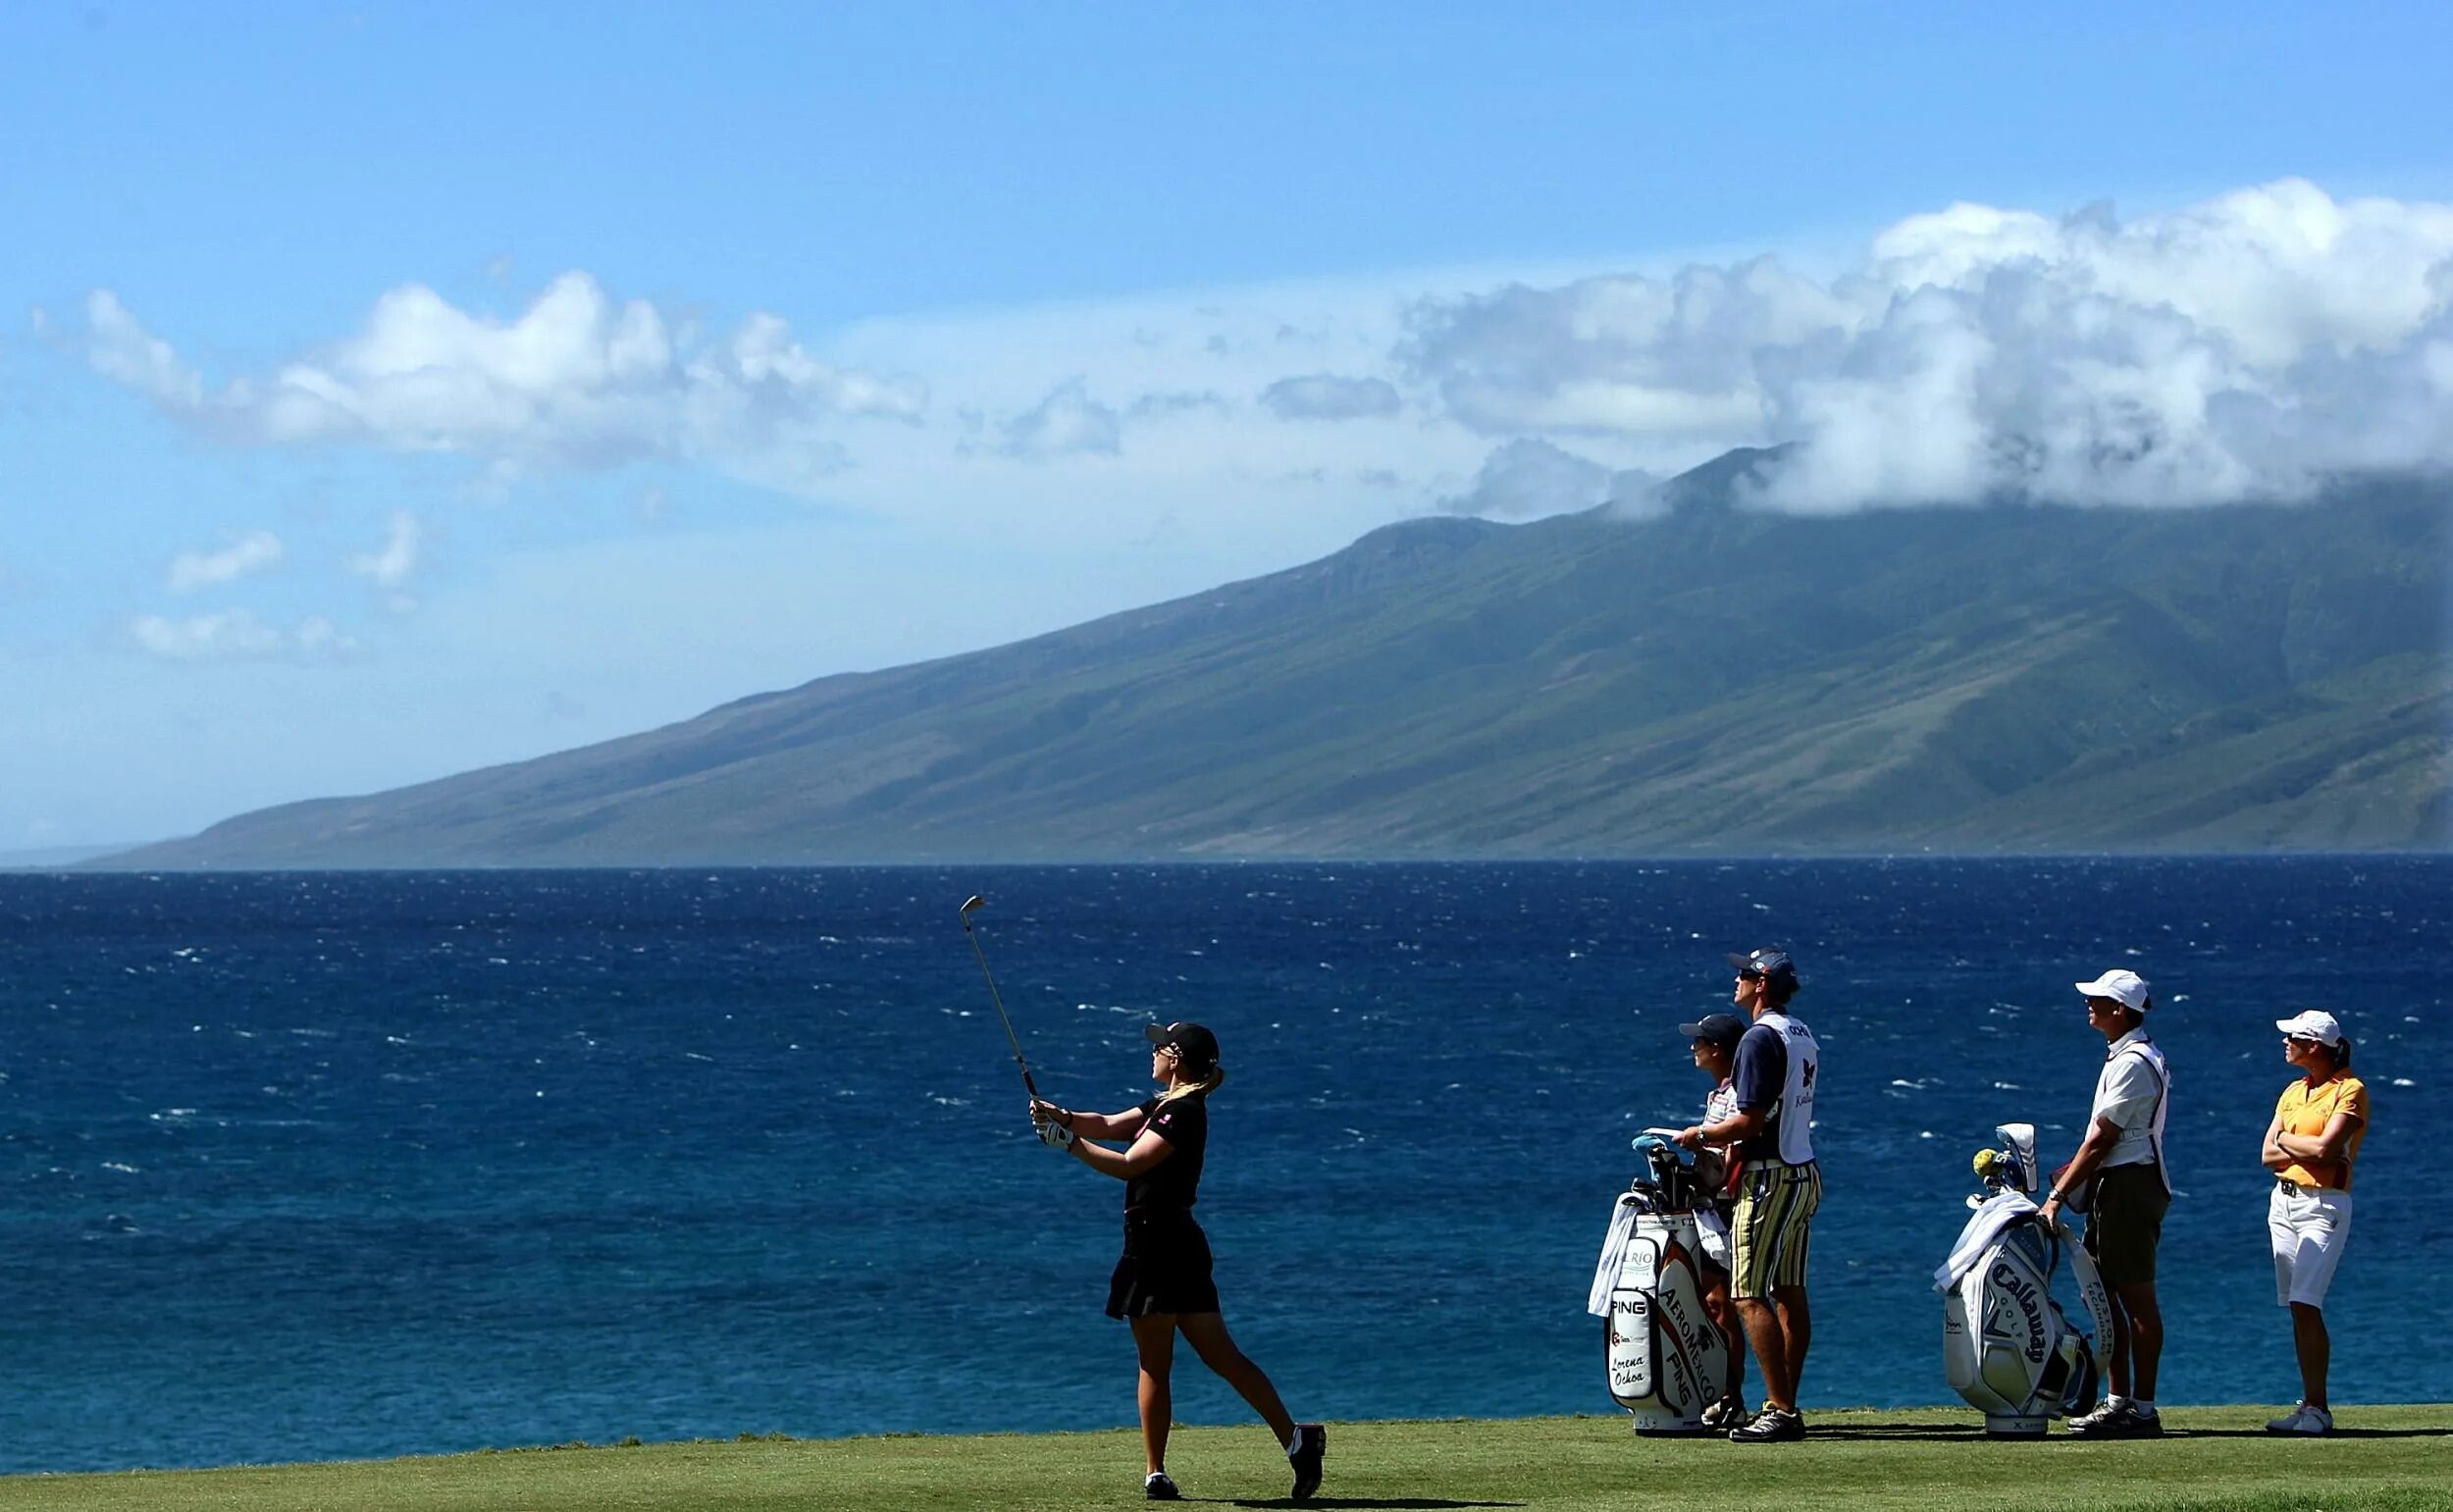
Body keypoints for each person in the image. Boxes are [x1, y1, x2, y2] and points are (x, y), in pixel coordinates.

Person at [1029, 1021, 1326, 1502]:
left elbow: (1130, 1163)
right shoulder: (1163, 1106)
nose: (1152, 1055)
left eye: (1159, 1049)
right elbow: (1106, 1124)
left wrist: (1067, 1144)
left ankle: (1158, 1472)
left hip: (1159, 1244)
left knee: (1160, 1364)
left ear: (1178, 1059)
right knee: (1214, 1357)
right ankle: (1294, 1441)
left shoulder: (1183, 1113)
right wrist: (1060, 1115)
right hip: (1174, 1242)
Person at [1677, 947, 1820, 1443]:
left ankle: (1781, 1409)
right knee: (1788, 1289)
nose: (1735, 980)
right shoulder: (1799, 1032)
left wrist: (1701, 1134)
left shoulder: (1758, 1039)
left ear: (1760, 985)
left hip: (1768, 1176)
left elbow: (1750, 1120)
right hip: (1803, 1171)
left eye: (1743, 974)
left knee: (1746, 1293)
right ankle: (1786, 1402)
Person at [2038, 968, 2171, 1439]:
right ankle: (2122, 1402)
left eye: (2098, 999)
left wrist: (2057, 1195)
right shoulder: (2129, 1056)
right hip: (2119, 1184)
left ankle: (2140, 1406)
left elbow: (2102, 1139)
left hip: (2128, 1185)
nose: (2089, 1005)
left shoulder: (2134, 1061)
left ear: (2121, 1010)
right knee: (2104, 1293)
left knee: (2134, 1297)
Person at [2260, 1010, 2370, 1435]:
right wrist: (2298, 1146)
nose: (2285, 1042)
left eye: (2293, 1038)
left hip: (2323, 1206)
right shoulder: (2292, 1091)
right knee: (2297, 1307)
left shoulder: (2351, 1090)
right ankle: (2309, 1405)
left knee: (2307, 1302)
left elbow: (2326, 1148)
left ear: (2315, 1047)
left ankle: (2319, 1409)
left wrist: (2289, 1141)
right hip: (2284, 1204)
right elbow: (2267, 1155)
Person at [1677, 1011, 1750, 1429]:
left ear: (1717, 1049)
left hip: (1727, 1206)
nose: (1694, 1048)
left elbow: (1734, 1150)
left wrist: (1698, 1142)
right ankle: (1725, 1393)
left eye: (1699, 1042)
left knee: (1724, 1303)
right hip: (1715, 1204)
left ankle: (1732, 1396)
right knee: (1714, 1302)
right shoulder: (1721, 1093)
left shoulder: (1737, 1094)